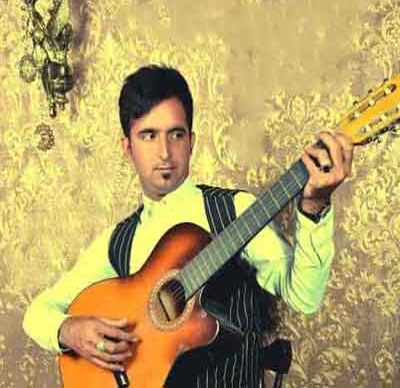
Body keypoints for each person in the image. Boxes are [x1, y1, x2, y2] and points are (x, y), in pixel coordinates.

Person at [23, 65, 354, 387]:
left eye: (176, 134)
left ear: (191, 142)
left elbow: (305, 298)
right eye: (149, 135)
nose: (165, 152)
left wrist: (314, 207)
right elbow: (36, 314)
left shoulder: (235, 211)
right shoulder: (117, 241)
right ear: (127, 148)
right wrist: (69, 331)